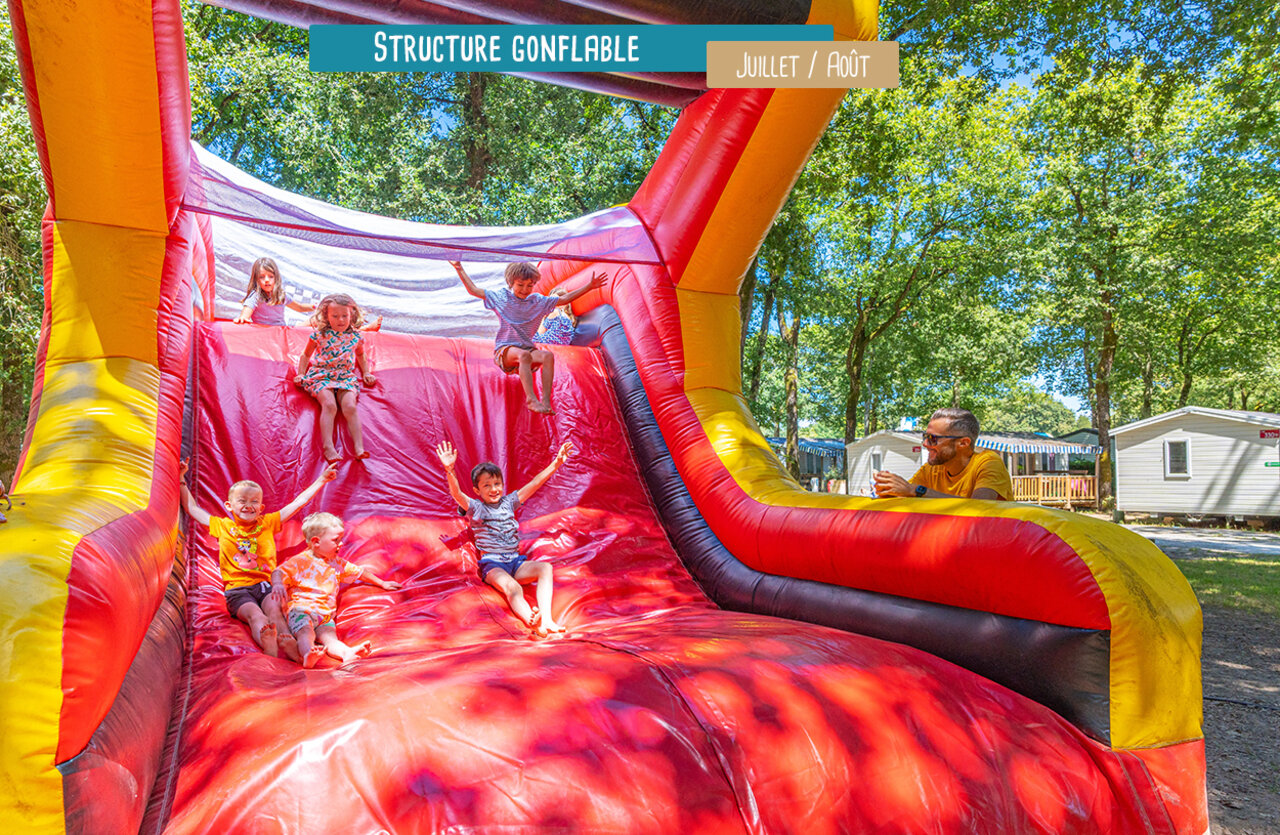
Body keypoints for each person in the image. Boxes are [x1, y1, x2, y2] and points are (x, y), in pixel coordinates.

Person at [179, 459, 338, 661]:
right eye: (242, 501)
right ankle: (269, 645)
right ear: (229, 505)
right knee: (256, 615)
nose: (248, 505)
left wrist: (322, 480)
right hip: (237, 590)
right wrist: (181, 478)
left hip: (265, 585)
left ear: (261, 507)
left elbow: (298, 503)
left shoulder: (267, 523)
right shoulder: (222, 526)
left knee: (275, 612)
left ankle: (295, 650)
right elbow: (192, 509)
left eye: (254, 501)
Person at [435, 439, 574, 635]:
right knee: (512, 587)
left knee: (545, 568)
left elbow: (534, 484)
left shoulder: (509, 502)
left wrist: (557, 463)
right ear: (477, 491)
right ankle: (531, 621)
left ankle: (548, 619)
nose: (494, 489)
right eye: (487, 486)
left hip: (515, 561)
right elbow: (457, 494)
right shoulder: (477, 507)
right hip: (493, 564)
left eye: (497, 483)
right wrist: (450, 470)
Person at [449, 260, 605, 414]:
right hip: (505, 351)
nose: (525, 290)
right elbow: (474, 290)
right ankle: (531, 400)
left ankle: (545, 402)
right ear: (511, 283)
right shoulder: (502, 298)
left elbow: (564, 299)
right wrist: (459, 268)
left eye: (530, 286)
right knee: (524, 356)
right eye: (520, 285)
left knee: (547, 356)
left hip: (527, 350)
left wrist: (589, 287)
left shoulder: (537, 301)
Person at [273, 511, 402, 667]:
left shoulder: (337, 563)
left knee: (330, 639)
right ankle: (308, 654)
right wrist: (279, 583)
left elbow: (360, 572)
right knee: (305, 632)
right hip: (301, 611)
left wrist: (382, 583)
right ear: (316, 542)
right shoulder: (300, 561)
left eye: (341, 539)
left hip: (325, 615)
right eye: (336, 540)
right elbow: (278, 571)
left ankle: (346, 653)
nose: (341, 544)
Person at [295, 293, 378, 463]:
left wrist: (366, 372)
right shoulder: (318, 335)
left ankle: (359, 447)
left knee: (350, 406)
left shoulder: (355, 337)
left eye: (344, 316)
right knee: (330, 405)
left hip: (345, 376)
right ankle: (328, 447)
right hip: (321, 374)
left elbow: (361, 356)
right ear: (326, 316)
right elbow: (305, 355)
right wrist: (301, 374)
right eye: (335, 316)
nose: (340, 320)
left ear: (351, 315)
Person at [872, 408, 1014, 500]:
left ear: (963, 443)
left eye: (933, 439)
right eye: (925, 436)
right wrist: (888, 488)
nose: (925, 444)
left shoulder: (988, 462)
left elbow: (980, 507)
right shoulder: (932, 469)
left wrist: (918, 490)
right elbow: (908, 493)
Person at [233, 257, 315, 325]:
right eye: (262, 277)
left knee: (315, 321)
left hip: (281, 331)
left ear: (276, 278)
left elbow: (299, 307)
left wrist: (314, 307)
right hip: (264, 332)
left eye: (271, 276)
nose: (267, 280)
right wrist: (243, 318)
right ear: (256, 280)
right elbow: (247, 311)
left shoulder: (281, 295)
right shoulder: (256, 296)